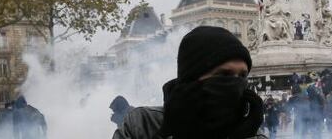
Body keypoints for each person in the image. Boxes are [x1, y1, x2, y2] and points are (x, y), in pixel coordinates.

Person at [113, 26, 265, 139]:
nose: (236, 84)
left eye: (243, 76)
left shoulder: (250, 133)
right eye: (224, 75)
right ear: (192, 77)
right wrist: (169, 134)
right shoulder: (142, 124)